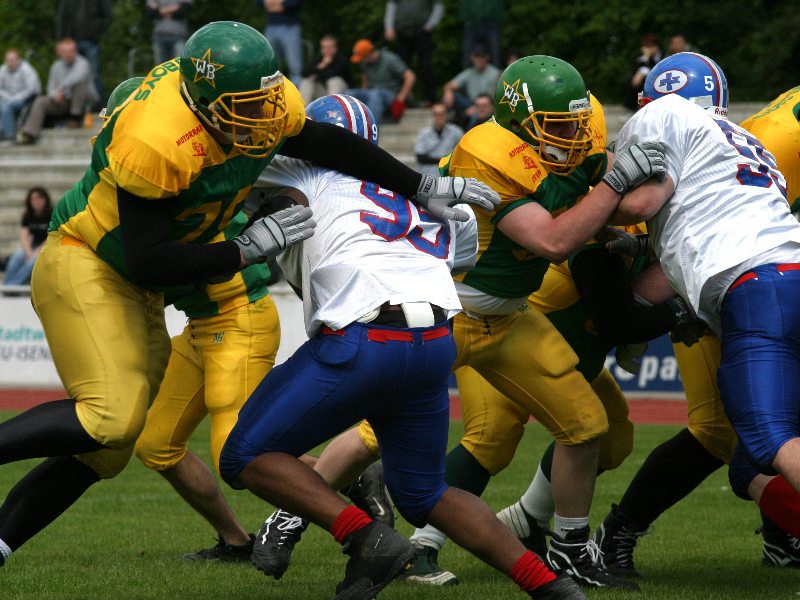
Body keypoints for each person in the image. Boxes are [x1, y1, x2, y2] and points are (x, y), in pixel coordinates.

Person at [0, 21, 497, 569]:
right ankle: (333, 522)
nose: (262, 115)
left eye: (264, 99)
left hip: (154, 290)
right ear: (200, 102)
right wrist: (243, 249)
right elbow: (148, 258)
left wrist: (420, 184)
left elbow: (324, 143)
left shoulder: (257, 103)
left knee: (109, 451)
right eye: (245, 106)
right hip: (96, 260)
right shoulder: (154, 137)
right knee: (113, 422)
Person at [219, 93, 584, 600]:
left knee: (245, 455)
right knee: (425, 494)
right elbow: (459, 253)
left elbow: (230, 166)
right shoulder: (411, 187)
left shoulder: (304, 173)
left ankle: (366, 538)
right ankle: (550, 587)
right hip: (434, 341)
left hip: (366, 338)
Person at [395, 55, 666, 591]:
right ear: (522, 124)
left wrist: (674, 171)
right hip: (457, 310)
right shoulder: (499, 156)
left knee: (595, 427)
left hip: (513, 320)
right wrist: (614, 192)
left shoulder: (581, 163)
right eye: (560, 126)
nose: (575, 138)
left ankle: (555, 540)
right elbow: (560, 243)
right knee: (403, 429)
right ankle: (310, 520)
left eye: (579, 125)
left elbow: (630, 204)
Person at [603, 53, 800, 576]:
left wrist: (577, 214)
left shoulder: (666, 116)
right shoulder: (758, 139)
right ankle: (619, 531)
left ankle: (609, 533)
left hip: (751, 287)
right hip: (752, 281)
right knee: (733, 441)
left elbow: (652, 206)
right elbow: (690, 227)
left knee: (762, 441)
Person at [17, 38, 97, 144]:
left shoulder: (83, 63)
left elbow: (77, 77)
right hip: (64, 101)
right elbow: (50, 86)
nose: (68, 54)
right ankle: (30, 133)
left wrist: (60, 89)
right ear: (60, 53)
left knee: (80, 85)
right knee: (41, 101)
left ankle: (75, 118)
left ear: (75, 51)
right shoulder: (56, 66)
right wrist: (54, 95)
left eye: (70, 51)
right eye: (65, 52)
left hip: (84, 102)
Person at [384, 0, 444, 106]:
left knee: (426, 65)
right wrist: (389, 28)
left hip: (422, 31)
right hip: (402, 31)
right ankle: (403, 99)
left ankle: (430, 99)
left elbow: (438, 7)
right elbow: (391, 6)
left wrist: (430, 25)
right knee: (401, 67)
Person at [345, 38, 416, 124]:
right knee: (349, 93)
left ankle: (370, 127)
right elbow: (365, 77)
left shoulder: (389, 59)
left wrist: (400, 99)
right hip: (371, 93)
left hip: (390, 94)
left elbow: (410, 77)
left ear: (368, 54)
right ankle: (347, 126)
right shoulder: (365, 63)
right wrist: (364, 91)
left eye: (362, 58)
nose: (361, 61)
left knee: (375, 94)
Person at [57, 0, 113, 107]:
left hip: (91, 41)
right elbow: (63, 17)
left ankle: (99, 106)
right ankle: (74, 107)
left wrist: (96, 31)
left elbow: (108, 16)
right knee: (69, 73)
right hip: (71, 42)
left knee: (94, 74)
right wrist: (61, 40)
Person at [3, 187, 52, 287]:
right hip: (32, 248)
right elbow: (24, 237)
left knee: (32, 263)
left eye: (39, 198)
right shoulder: (28, 215)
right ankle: (7, 285)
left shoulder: (52, 214)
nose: (36, 201)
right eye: (33, 199)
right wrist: (28, 252)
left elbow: (51, 237)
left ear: (45, 199)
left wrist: (36, 253)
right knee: (16, 258)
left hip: (47, 249)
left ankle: (11, 287)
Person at [442, 45, 500, 127]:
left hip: (488, 104)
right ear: (472, 58)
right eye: (477, 56)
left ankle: (468, 129)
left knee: (476, 116)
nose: (479, 59)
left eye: (482, 56)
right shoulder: (469, 73)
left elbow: (495, 98)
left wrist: (477, 108)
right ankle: (448, 124)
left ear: (487, 57)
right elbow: (449, 85)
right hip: (472, 103)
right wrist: (448, 92)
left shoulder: (495, 73)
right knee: (452, 96)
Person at [0, 48, 41, 143]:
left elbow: (31, 89)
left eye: (12, 60)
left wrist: (15, 98)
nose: (10, 63)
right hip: (7, 99)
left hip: (25, 100)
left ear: (18, 60)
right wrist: (8, 97)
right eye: (8, 60)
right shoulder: (2, 69)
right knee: (4, 104)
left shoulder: (27, 69)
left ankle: (9, 136)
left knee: (6, 106)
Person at [258, 0, 303, 84]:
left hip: (290, 26)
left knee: (294, 65)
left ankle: (297, 90)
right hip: (271, 27)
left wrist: (271, 4)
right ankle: (274, 90)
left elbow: (292, 3)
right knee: (271, 64)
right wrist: (280, 3)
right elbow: (260, 3)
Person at [414, 102, 463, 177]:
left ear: (447, 115)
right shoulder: (424, 133)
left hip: (448, 175)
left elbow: (461, 153)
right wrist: (444, 160)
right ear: (432, 116)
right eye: (436, 114)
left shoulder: (456, 132)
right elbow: (420, 157)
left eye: (442, 114)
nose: (439, 117)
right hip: (428, 174)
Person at [298, 34, 350, 104]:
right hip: (322, 92)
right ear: (321, 49)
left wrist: (317, 76)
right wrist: (321, 65)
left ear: (335, 48)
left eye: (330, 47)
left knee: (334, 80)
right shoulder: (319, 60)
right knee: (306, 82)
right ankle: (303, 108)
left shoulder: (341, 59)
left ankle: (332, 108)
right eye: (325, 47)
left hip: (341, 93)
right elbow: (304, 72)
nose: (327, 50)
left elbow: (333, 73)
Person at [459, 0, 504, 69]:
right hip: (471, 24)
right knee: (468, 54)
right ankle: (467, 74)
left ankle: (496, 75)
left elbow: (499, 10)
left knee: (495, 54)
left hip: (492, 23)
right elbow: (464, 10)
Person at [623, 33, 661, 113]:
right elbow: (635, 81)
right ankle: (638, 106)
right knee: (637, 83)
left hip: (657, 89)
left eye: (650, 46)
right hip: (642, 91)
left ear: (656, 47)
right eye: (646, 47)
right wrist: (646, 58)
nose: (647, 49)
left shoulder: (661, 58)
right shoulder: (641, 60)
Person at [146, 0, 192, 65]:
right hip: (159, 36)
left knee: (178, 65)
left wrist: (160, 11)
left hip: (179, 36)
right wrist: (175, 8)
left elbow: (183, 11)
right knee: (160, 67)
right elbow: (151, 13)